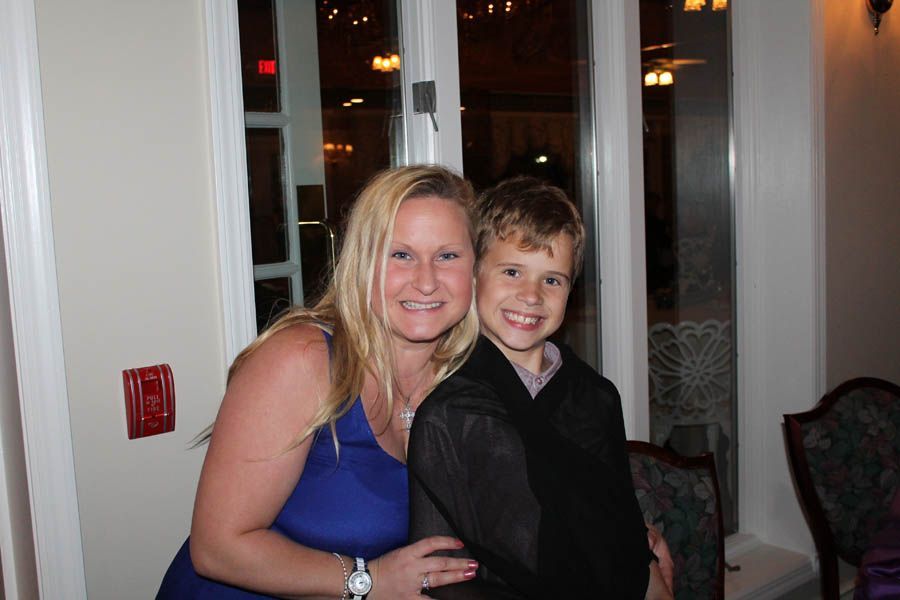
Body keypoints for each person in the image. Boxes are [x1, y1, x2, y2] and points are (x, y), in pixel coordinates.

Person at [158, 166, 483, 599]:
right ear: (362, 261)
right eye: (400, 254)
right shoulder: (303, 360)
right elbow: (217, 549)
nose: (426, 281)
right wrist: (368, 582)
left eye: (447, 256)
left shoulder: (465, 379)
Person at [408, 177, 674, 599]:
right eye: (512, 271)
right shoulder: (450, 413)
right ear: (475, 274)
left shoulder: (597, 396)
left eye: (553, 280)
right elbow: (442, 571)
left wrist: (647, 568)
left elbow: (620, 519)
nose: (530, 295)